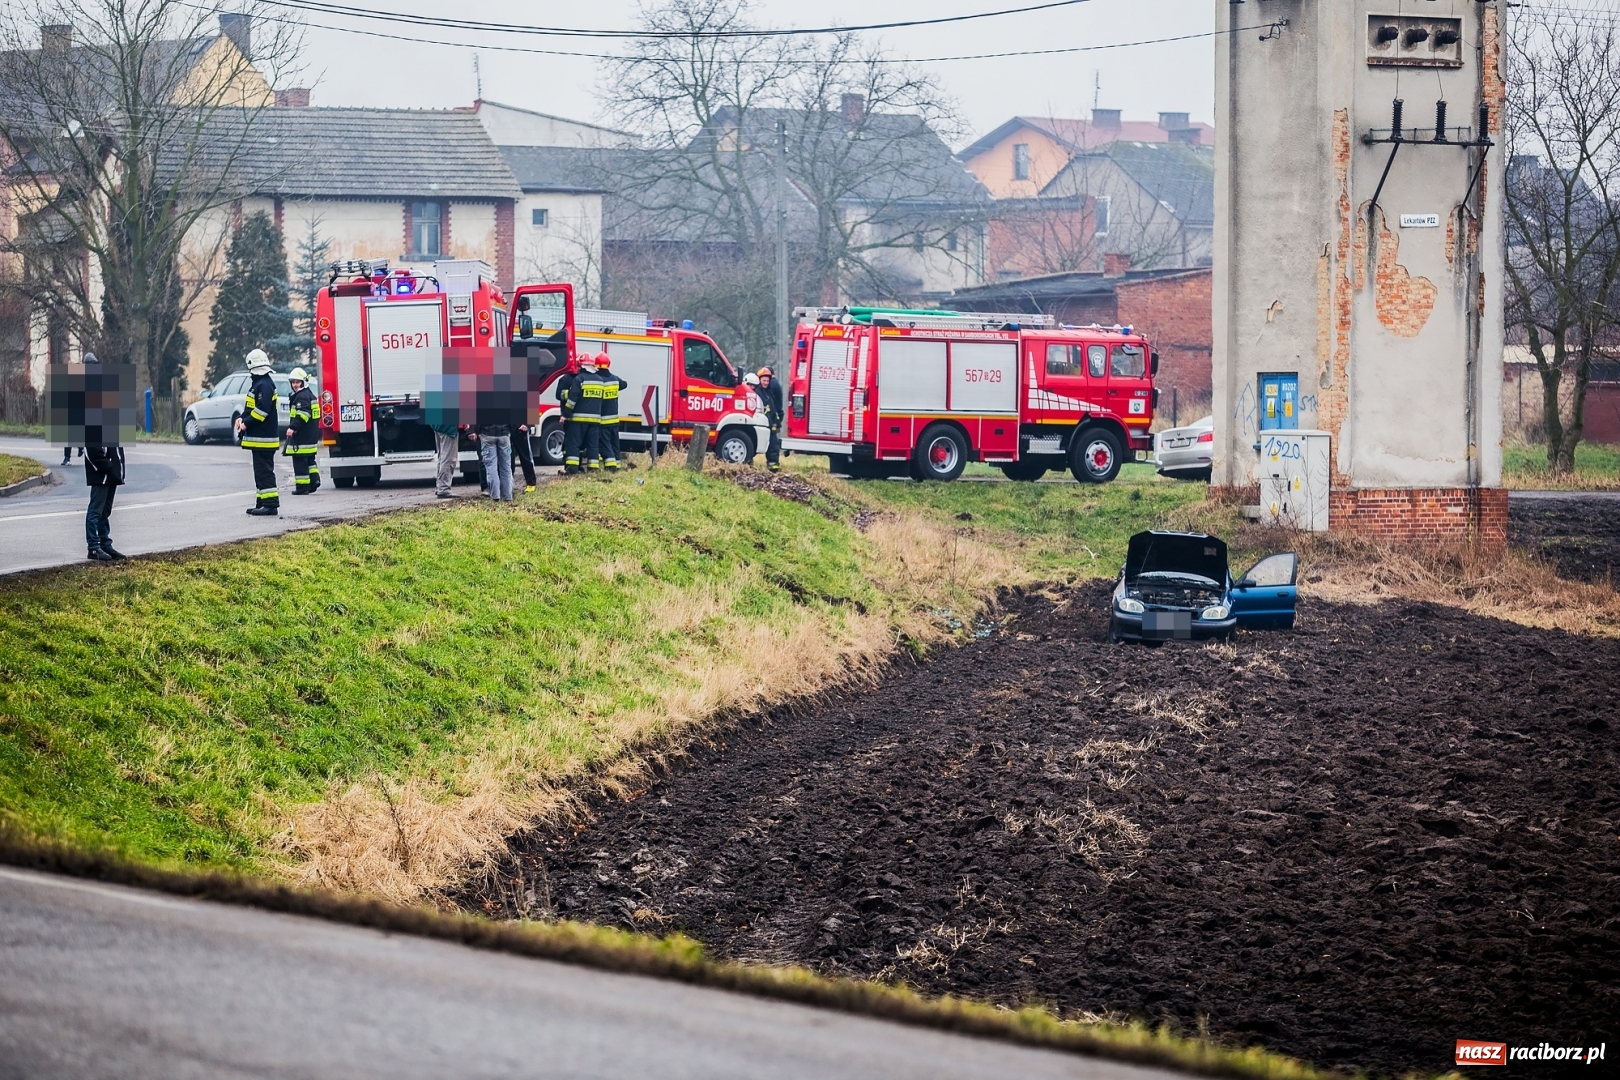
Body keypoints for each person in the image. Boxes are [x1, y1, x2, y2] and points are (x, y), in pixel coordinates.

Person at [81, 353, 126, 561]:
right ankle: (93, 546)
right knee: (96, 510)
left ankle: (105, 543)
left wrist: (117, 465)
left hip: (111, 469)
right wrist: (106, 466)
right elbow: (92, 447)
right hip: (102, 470)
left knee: (105, 511)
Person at [234, 349, 281, 516]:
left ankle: (270, 505)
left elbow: (263, 410)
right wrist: (241, 418)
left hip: (264, 438)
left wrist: (246, 423)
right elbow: (251, 407)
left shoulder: (264, 384)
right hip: (260, 438)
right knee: (260, 472)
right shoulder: (260, 383)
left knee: (264, 471)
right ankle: (262, 502)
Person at [284, 367, 321, 494]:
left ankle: (302, 487)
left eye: (297, 382)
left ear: (303, 382)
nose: (295, 385)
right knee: (310, 460)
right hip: (311, 434)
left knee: (299, 461)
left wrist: (292, 427)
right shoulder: (309, 395)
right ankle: (314, 480)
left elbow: (302, 415)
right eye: (293, 382)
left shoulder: (302, 397)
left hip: (302, 435)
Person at [595, 352, 628, 472]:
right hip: (614, 420)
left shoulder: (597, 380)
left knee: (605, 444)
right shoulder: (614, 379)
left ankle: (611, 467)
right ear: (608, 364)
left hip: (602, 420)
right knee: (614, 444)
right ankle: (617, 465)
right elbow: (624, 384)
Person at [573, 353, 605, 470]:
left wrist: (566, 413)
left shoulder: (579, 379)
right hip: (595, 420)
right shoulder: (600, 381)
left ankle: (573, 468)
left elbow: (573, 399)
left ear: (581, 366)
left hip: (578, 420)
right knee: (593, 445)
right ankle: (593, 468)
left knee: (574, 444)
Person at [471, 420, 514, 501]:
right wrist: (509, 431)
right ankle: (507, 496)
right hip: (504, 435)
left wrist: (478, 431)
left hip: (487, 435)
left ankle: (495, 496)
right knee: (506, 467)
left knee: (491, 467)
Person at [555, 355, 584, 474]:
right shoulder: (566, 379)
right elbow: (558, 395)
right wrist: (572, 394)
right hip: (568, 417)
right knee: (569, 442)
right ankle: (568, 464)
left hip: (577, 416)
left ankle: (577, 465)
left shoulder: (582, 378)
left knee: (577, 443)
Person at [756, 365, 784, 473]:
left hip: (771, 423)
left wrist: (777, 423)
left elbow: (774, 410)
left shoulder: (769, 393)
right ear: (759, 380)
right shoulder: (757, 392)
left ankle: (773, 467)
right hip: (761, 423)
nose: (766, 383)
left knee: (774, 445)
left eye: (767, 381)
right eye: (764, 380)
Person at [431, 419, 459, 499]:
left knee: (442, 458)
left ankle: (439, 487)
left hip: (437, 425)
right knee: (448, 459)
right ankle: (444, 489)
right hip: (448, 427)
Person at [514, 421, 538, 492]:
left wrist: (528, 425)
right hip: (507, 429)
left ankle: (531, 483)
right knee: (508, 458)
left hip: (521, 428)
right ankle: (507, 486)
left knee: (525, 457)